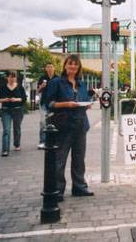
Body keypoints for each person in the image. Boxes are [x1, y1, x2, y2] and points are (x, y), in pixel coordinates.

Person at [44, 54, 93, 202]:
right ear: (65, 65)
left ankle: (79, 187)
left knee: (79, 159)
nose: (73, 67)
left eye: (75, 65)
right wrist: (66, 104)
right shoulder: (57, 82)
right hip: (63, 126)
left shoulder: (81, 84)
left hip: (80, 125)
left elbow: (84, 101)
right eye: (70, 64)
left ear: (79, 68)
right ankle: (57, 191)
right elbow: (49, 104)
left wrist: (87, 105)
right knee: (60, 159)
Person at [0, 71, 27, 156]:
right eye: (10, 77)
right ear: (7, 78)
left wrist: (16, 99)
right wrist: (5, 99)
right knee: (6, 130)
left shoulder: (20, 87)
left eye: (14, 77)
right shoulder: (3, 88)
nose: (12, 79)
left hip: (17, 110)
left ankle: (17, 144)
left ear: (16, 78)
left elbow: (24, 99)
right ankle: (5, 150)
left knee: (17, 128)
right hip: (6, 110)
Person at [36, 63, 58, 149]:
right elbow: (37, 91)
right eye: (48, 67)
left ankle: (54, 141)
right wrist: (41, 86)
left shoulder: (57, 78)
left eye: (51, 67)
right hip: (44, 103)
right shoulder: (42, 78)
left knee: (54, 122)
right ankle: (42, 141)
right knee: (43, 122)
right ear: (45, 68)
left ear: (54, 68)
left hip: (54, 103)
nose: (50, 68)